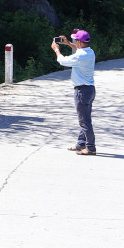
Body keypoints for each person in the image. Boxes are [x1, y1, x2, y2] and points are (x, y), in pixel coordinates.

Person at [52, 28, 96, 156]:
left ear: (80, 42)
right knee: (86, 118)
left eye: (76, 40)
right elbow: (79, 51)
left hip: (81, 91)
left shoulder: (80, 56)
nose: (75, 42)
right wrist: (67, 43)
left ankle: (91, 147)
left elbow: (62, 61)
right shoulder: (90, 52)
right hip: (89, 90)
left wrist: (56, 49)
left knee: (84, 121)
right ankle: (81, 143)